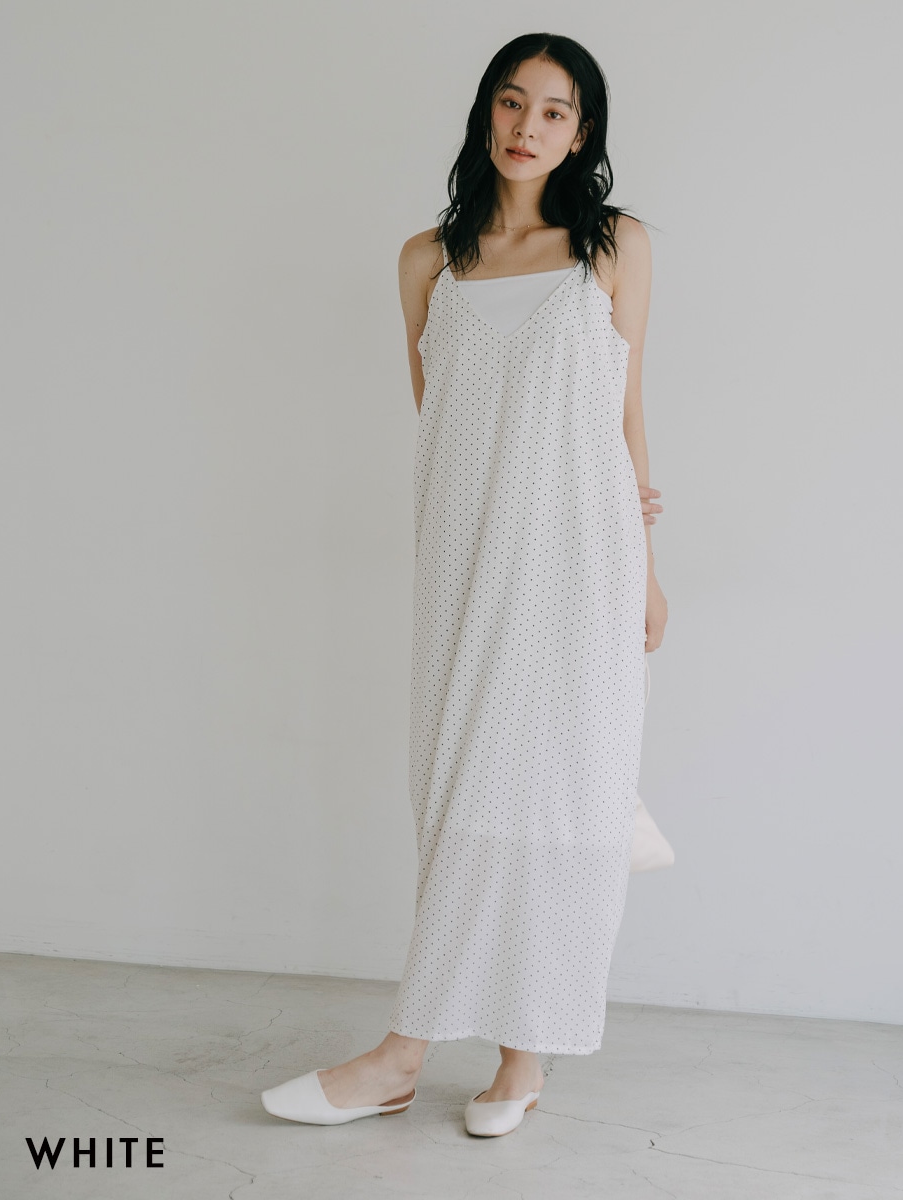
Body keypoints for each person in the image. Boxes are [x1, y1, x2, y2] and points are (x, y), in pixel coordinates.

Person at [260, 31, 668, 1137]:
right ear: (487, 111)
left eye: (554, 111)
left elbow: (624, 408)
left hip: (581, 555)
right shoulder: (426, 262)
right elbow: (436, 414)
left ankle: (489, 1057)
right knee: (462, 794)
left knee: (550, 797)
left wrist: (645, 568)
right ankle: (445, 1046)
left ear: (581, 133)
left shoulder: (614, 246)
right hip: (464, 555)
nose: (528, 127)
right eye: (511, 102)